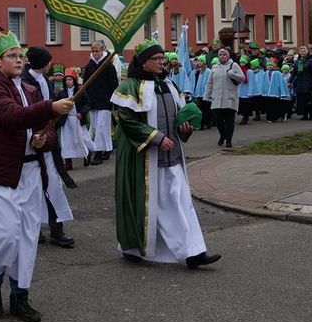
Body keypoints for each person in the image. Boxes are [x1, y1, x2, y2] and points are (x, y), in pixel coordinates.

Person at [0, 31, 73, 322]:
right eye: (12, 56)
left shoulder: (30, 89)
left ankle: (20, 295)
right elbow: (13, 116)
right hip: (0, 173)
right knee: (3, 236)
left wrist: (45, 139)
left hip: (30, 173)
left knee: (27, 237)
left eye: (20, 56)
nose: (18, 60)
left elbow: (47, 130)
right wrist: (51, 107)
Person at [112, 39, 219, 269]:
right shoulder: (129, 87)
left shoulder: (169, 85)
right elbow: (127, 121)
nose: (163, 62)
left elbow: (178, 117)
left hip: (172, 159)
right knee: (149, 205)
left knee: (180, 204)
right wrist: (156, 138)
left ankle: (194, 252)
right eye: (157, 59)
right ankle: (133, 248)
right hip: (144, 161)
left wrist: (185, 129)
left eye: (163, 58)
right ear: (143, 62)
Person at [22, 47, 77, 249]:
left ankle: (56, 229)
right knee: (33, 190)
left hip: (48, 140)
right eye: (48, 60)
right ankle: (34, 229)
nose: (51, 63)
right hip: (34, 140)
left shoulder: (45, 79)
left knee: (53, 185)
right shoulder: (26, 82)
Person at [82, 40, 119, 162]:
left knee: (102, 126)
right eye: (93, 51)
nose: (95, 53)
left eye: (97, 51)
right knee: (96, 126)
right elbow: (85, 83)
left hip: (105, 100)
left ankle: (98, 152)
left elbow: (114, 83)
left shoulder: (108, 65)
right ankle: (107, 148)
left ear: (102, 50)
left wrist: (115, 100)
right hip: (93, 100)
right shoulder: (90, 66)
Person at [203, 48, 244, 147]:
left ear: (228, 56)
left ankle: (228, 140)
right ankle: (223, 135)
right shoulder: (215, 67)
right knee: (218, 119)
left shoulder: (233, 65)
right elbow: (209, 83)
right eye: (220, 54)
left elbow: (242, 78)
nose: (222, 56)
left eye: (224, 54)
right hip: (216, 98)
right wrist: (206, 96)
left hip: (229, 97)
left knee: (229, 121)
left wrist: (232, 74)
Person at [54, 67, 94, 169]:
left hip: (77, 119)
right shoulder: (61, 94)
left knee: (80, 139)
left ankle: (86, 154)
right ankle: (68, 162)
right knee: (66, 141)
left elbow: (88, 103)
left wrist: (82, 113)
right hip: (66, 120)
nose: (68, 82)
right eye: (66, 80)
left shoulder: (80, 92)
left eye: (70, 79)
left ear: (74, 80)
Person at [292, 46, 312, 120]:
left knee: (309, 100)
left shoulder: (310, 61)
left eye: (304, 51)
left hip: (308, 82)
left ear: (306, 52)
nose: (302, 52)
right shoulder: (297, 61)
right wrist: (290, 81)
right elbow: (294, 73)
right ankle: (305, 114)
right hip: (300, 83)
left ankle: (311, 114)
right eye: (301, 51)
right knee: (301, 100)